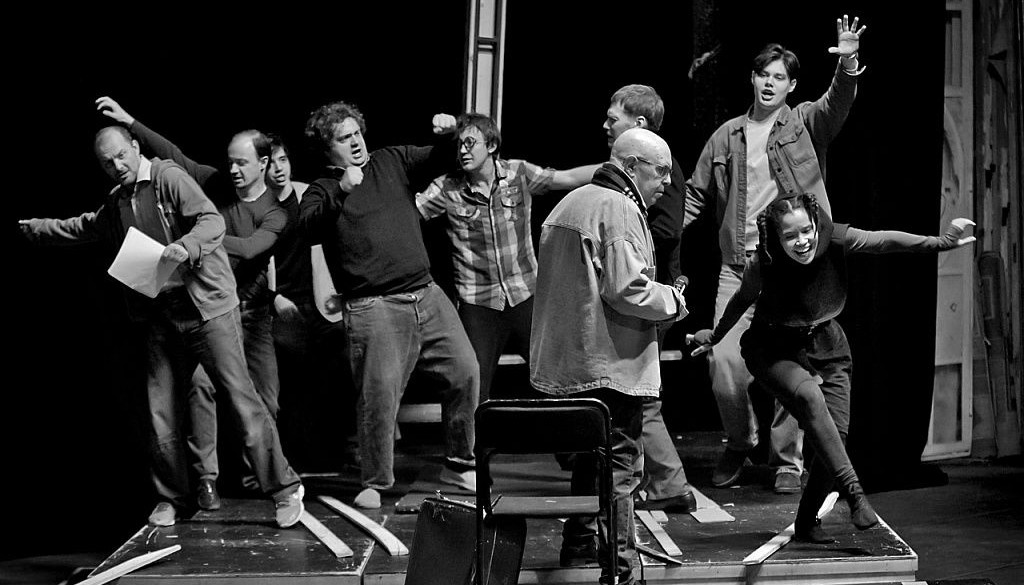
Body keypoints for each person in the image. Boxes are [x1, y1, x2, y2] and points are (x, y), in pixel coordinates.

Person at [19, 126, 304, 528]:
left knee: (242, 401)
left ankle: (284, 489)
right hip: (163, 315)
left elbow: (210, 220)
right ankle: (172, 497)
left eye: (122, 155)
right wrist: (37, 229)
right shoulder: (119, 201)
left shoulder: (168, 178)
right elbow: (87, 226)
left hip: (208, 310)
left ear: (135, 148)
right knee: (161, 412)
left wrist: (186, 246)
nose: (117, 166)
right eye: (107, 162)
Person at [689, 193, 975, 541]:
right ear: (777, 237)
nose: (801, 241)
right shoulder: (763, 261)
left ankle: (807, 521)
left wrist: (941, 243)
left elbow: (882, 241)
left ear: (816, 225)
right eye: (790, 235)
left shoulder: (835, 238)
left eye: (806, 231)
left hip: (827, 345)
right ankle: (855, 494)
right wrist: (715, 336)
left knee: (833, 439)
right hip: (773, 348)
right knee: (809, 395)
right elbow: (740, 301)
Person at [682, 15, 867, 493]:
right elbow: (695, 196)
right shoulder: (727, 135)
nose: (769, 83)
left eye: (779, 77)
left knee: (794, 365)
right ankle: (740, 440)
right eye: (763, 74)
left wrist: (847, 63)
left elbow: (837, 103)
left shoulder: (804, 123)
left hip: (793, 270)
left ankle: (787, 458)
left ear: (791, 85)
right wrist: (657, 232)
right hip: (738, 266)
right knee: (724, 363)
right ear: (752, 78)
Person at [96, 97, 289, 508]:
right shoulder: (213, 182)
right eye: (230, 162)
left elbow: (243, 245)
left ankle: (273, 483)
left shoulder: (275, 211)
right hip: (182, 307)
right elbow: (173, 154)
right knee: (190, 397)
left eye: (241, 163)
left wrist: (185, 244)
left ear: (263, 164)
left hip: (235, 308)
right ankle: (203, 483)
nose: (233, 170)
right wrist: (131, 120)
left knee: (254, 400)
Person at [299, 100, 478, 510]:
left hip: (426, 293)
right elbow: (307, 229)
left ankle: (458, 462)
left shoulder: (390, 160)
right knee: (379, 396)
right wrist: (343, 189)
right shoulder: (321, 189)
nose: (356, 143)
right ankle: (376, 481)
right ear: (327, 148)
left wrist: (449, 134)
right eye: (344, 138)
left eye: (357, 133)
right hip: (374, 306)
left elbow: (443, 158)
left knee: (465, 371)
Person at [531, 128, 688, 585]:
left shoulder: (568, 204)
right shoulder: (618, 208)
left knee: (589, 458)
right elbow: (627, 290)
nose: (667, 182)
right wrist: (673, 300)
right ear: (631, 166)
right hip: (608, 368)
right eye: (661, 171)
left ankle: (578, 546)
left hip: (566, 366)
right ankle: (619, 573)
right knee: (620, 468)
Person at [415, 113, 599, 402]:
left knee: (556, 376)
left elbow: (568, 178)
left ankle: (570, 431)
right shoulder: (447, 188)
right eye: (459, 145)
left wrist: (618, 165)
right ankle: (471, 435)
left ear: (491, 145)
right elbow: (407, 214)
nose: (463, 150)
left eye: (470, 143)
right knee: (471, 386)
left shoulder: (517, 173)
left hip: (525, 293)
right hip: (479, 302)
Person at [602, 84, 697, 512]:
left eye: (613, 118)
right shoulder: (631, 172)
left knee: (640, 392)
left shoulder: (658, 167)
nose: (606, 124)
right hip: (644, 291)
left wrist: (623, 239)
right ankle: (657, 480)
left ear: (638, 123)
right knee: (635, 390)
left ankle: (670, 483)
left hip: (650, 293)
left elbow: (668, 229)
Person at [264, 132, 357, 469]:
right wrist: (273, 299)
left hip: (322, 300)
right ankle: (298, 458)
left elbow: (339, 241)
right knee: (293, 383)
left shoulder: (308, 194)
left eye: (283, 160)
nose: (279, 169)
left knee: (340, 373)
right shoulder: (257, 208)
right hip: (283, 306)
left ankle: (342, 450)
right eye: (271, 163)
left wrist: (344, 290)